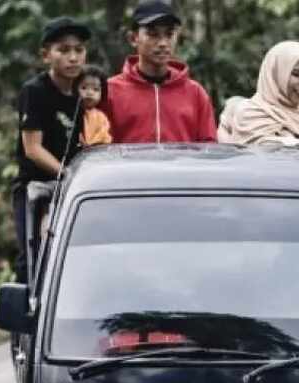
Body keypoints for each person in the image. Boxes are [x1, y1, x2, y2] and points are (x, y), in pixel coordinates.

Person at [11, 16, 89, 283]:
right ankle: (24, 321)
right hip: (36, 187)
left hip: (72, 187)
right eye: (64, 50)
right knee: (32, 257)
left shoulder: (85, 93)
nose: (73, 58)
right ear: (46, 55)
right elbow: (32, 149)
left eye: (78, 50)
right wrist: (69, 174)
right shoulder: (34, 91)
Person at [102, 1, 217, 144]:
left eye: (169, 34)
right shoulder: (110, 91)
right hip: (128, 167)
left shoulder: (196, 93)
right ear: (133, 38)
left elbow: (208, 149)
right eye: (153, 34)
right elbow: (99, 150)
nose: (163, 43)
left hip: (183, 166)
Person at [76, 65, 112, 147]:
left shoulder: (101, 117)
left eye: (96, 89)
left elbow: (104, 137)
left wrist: (91, 144)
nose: (90, 93)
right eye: (84, 88)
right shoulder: (71, 112)